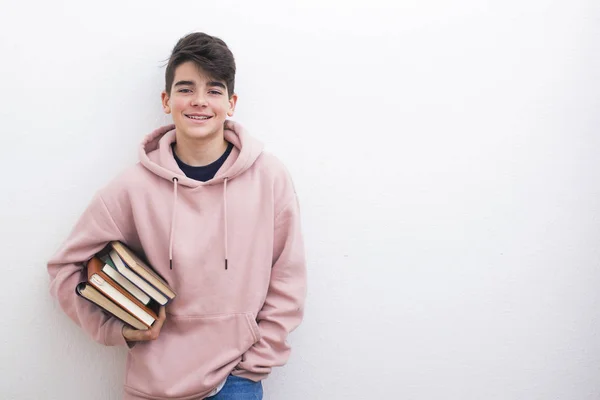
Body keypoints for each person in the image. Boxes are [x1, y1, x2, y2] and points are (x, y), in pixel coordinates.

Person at [47, 32, 307, 400]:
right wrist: (116, 330)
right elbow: (65, 269)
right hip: (155, 384)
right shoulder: (131, 188)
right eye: (186, 89)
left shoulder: (269, 178)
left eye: (214, 90)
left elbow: (288, 276)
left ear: (231, 103)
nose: (199, 101)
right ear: (166, 100)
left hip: (236, 380)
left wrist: (257, 358)